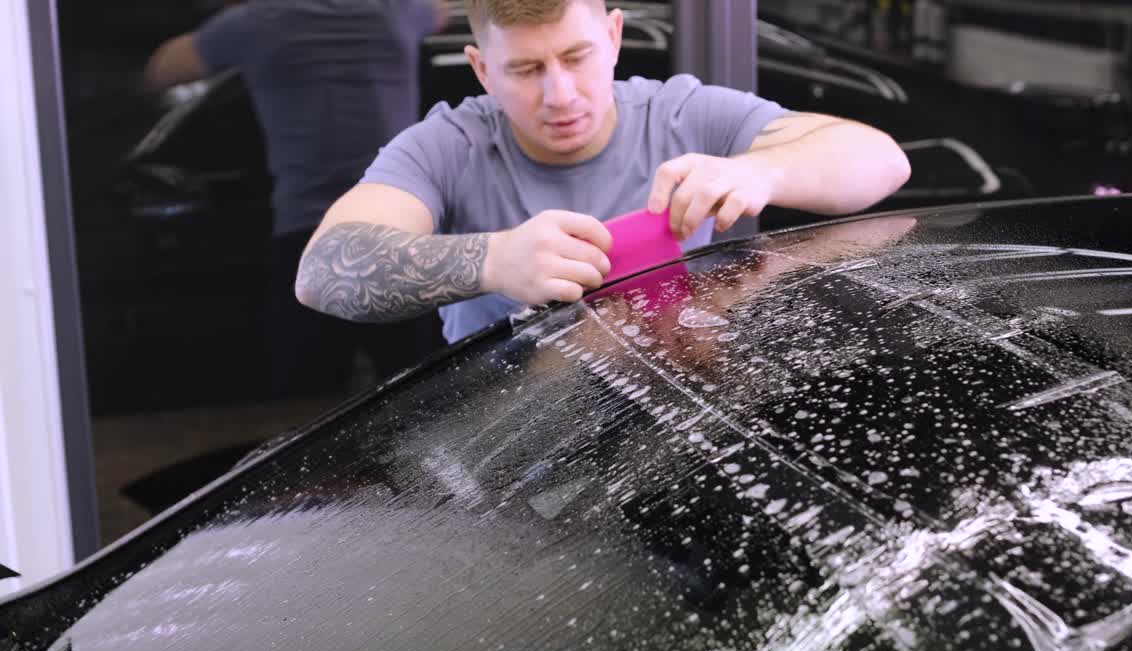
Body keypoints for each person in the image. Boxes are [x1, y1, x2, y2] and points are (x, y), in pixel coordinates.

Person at [294, 0, 912, 345]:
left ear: (613, 37)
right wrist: (494, 261)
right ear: (482, 70)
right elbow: (322, 272)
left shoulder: (681, 112)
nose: (560, 95)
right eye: (526, 70)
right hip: (510, 434)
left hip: (675, 406)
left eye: (577, 57)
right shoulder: (447, 145)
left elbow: (883, 160)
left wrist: (763, 171)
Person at [142, 0, 448, 397]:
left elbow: (160, 69)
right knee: (420, 398)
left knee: (303, 405)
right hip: (398, 235)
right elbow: (441, 12)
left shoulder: (259, 22)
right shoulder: (395, 12)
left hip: (306, 241)